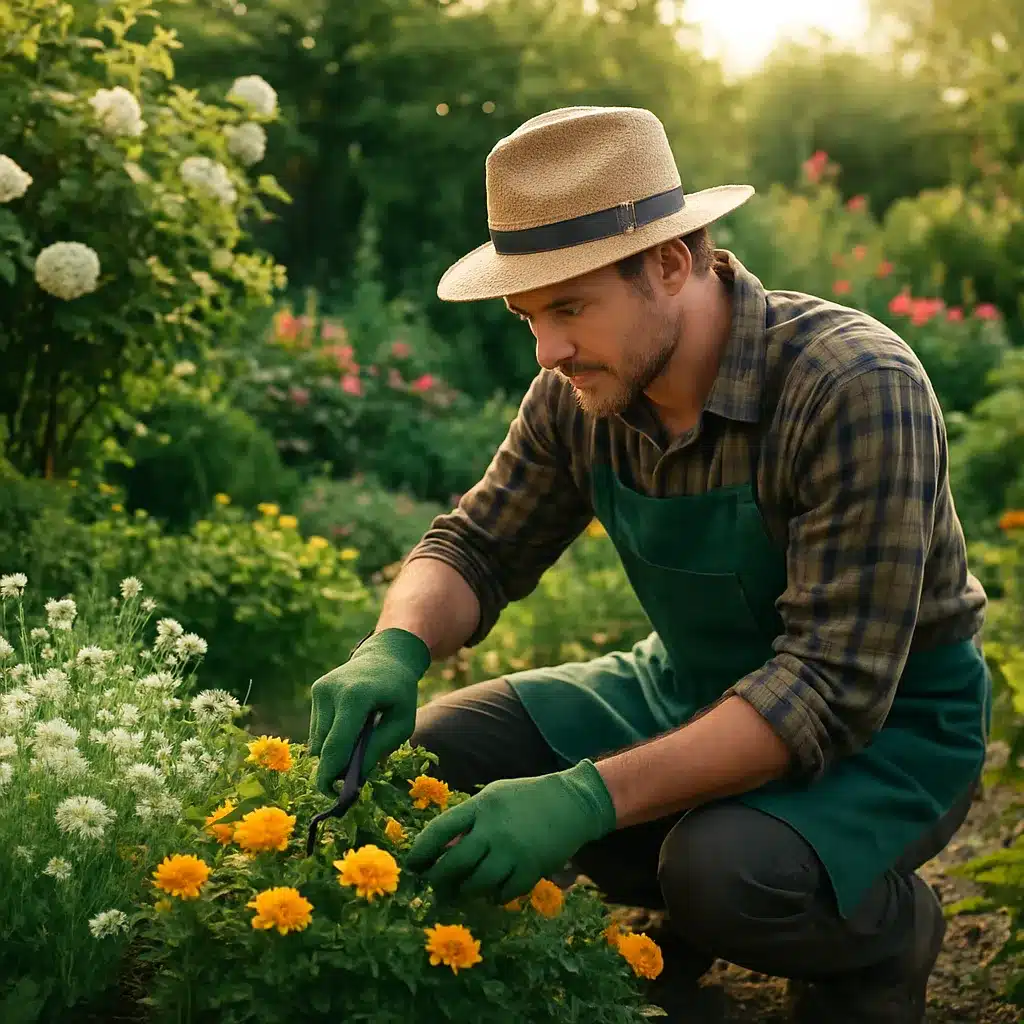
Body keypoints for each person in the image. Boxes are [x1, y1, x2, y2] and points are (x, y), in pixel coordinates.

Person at [306, 106, 991, 1023]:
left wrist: (587, 797)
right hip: (691, 685)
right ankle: (701, 881)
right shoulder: (580, 390)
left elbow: (827, 687)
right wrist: (393, 647)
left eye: (570, 307)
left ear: (673, 260)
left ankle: (885, 935)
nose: (548, 351)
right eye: (529, 317)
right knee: (443, 752)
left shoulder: (853, 385)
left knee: (721, 873)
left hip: (886, 725)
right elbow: (475, 544)